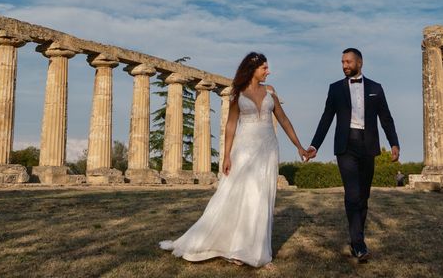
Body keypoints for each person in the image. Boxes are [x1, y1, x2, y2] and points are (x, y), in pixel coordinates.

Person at [160, 52, 307, 268]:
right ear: (253, 68)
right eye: (264, 68)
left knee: (262, 197)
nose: (269, 71)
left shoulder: (270, 91)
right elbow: (230, 125)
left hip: (267, 148)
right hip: (244, 149)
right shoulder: (237, 94)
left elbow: (283, 120)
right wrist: (227, 155)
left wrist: (299, 146)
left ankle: (257, 251)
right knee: (240, 195)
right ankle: (236, 246)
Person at [306, 48, 400, 263]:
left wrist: (394, 143)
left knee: (364, 195)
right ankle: (358, 243)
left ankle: (358, 237)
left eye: (348, 62)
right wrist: (315, 145)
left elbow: (386, 118)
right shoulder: (335, 88)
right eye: (342, 62)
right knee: (352, 194)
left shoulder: (376, 88)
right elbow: (326, 118)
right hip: (345, 145)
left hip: (368, 146)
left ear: (360, 63)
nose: (344, 65)